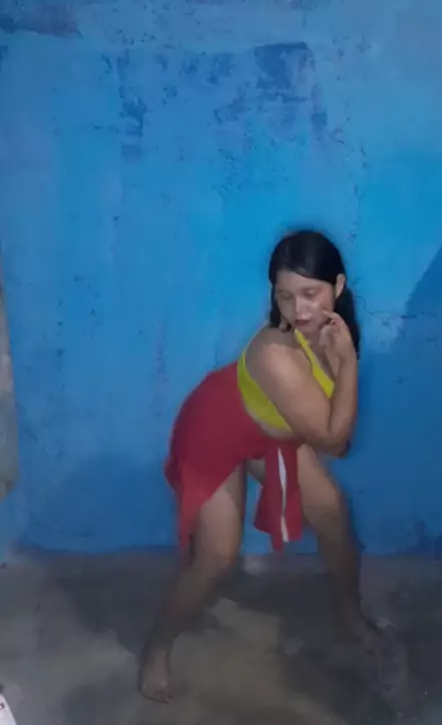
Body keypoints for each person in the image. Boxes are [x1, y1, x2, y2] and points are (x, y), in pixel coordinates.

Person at [140, 229, 387, 703]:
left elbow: (337, 431)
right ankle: (157, 646)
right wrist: (348, 365)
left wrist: (341, 359)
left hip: (267, 427)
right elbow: (336, 442)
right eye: (285, 296)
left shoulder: (333, 331)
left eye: (310, 293)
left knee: (332, 511)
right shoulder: (275, 352)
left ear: (338, 285)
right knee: (217, 556)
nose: (299, 310)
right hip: (214, 429)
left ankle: (349, 613)